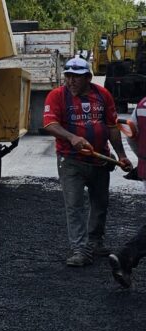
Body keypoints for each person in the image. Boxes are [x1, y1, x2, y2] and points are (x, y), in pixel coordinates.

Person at [43, 57, 133, 267]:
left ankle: (95, 241)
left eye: (77, 77)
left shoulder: (103, 95)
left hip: (100, 159)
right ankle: (80, 249)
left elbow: (112, 127)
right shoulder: (57, 96)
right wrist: (71, 137)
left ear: (88, 78)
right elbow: (49, 124)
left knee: (100, 202)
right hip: (71, 160)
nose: (71, 81)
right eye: (68, 76)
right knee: (74, 206)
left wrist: (121, 155)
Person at [108, 97, 146, 288]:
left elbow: (133, 136)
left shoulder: (142, 105)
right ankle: (125, 257)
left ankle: (125, 258)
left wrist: (142, 161)